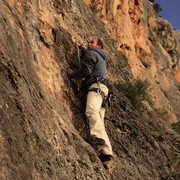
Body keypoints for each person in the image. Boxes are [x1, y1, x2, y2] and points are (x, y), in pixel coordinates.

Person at [68, 38, 113, 162]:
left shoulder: (92, 53)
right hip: (104, 91)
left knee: (91, 111)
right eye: (88, 42)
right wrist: (83, 49)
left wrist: (72, 75)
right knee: (99, 120)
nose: (89, 44)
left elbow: (86, 70)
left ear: (99, 46)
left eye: (92, 42)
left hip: (96, 88)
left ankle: (96, 137)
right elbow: (90, 61)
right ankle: (106, 151)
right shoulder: (99, 57)